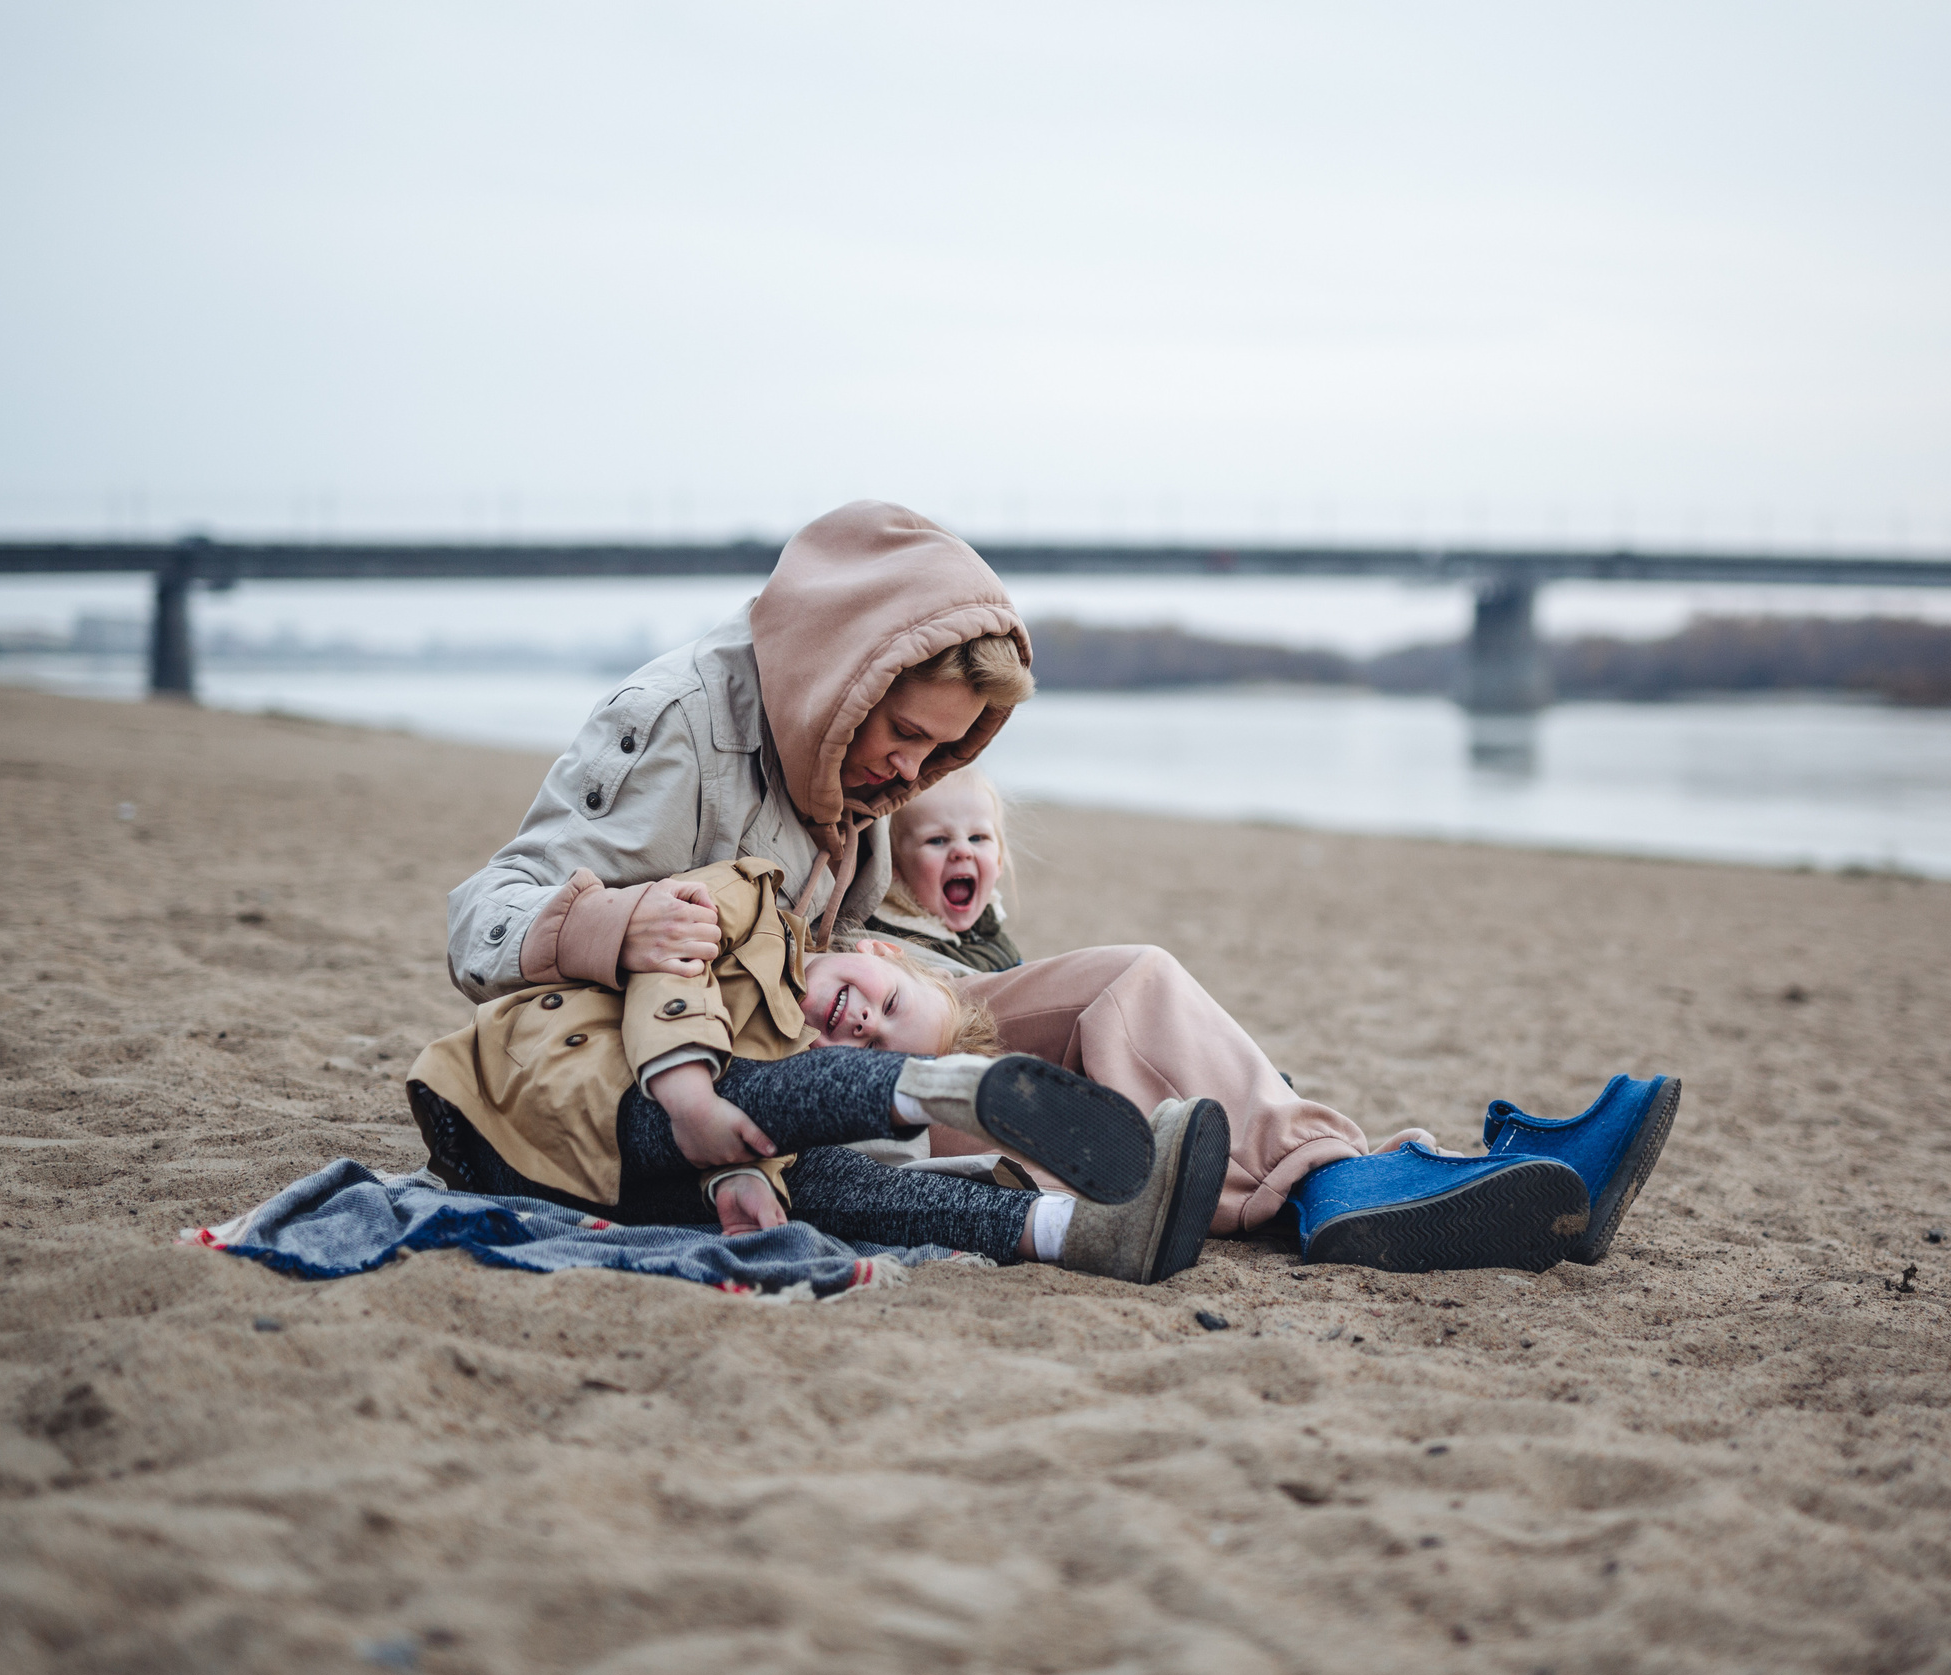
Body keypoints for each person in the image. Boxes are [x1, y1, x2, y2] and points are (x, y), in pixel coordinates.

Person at [446, 499, 1642, 1273]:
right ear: (840, 670)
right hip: (690, 1067)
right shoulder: (672, 723)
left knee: (1125, 984)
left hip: (830, 1010)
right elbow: (481, 921)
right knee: (951, 1091)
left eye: (938, 754)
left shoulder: (859, 768)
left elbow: (840, 922)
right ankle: (1293, 1188)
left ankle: (1344, 1176)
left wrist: (917, 948)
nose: (906, 773)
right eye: (902, 736)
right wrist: (613, 924)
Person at [411, 856, 1229, 1284]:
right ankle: (944, 1094)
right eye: (889, 1006)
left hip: (582, 1177)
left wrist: (737, 1174)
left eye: (879, 1047)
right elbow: (670, 967)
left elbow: (745, 1131)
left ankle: (1073, 1231)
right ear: (875, 951)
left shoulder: (782, 1075)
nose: (865, 1024)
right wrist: (691, 1097)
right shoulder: (753, 905)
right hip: (534, 1090)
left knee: (837, 1186)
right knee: (769, 1110)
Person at [857, 764, 1023, 973]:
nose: (963, 850)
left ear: (999, 860)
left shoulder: (988, 925)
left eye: (977, 838)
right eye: (937, 840)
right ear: (894, 865)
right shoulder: (896, 945)